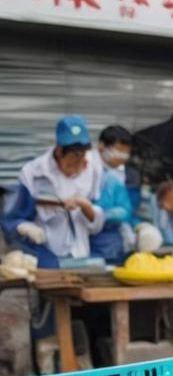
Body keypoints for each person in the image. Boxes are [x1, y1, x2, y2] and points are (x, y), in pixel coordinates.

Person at [1, 115, 104, 268]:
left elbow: (98, 218)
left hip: (82, 253)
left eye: (81, 159)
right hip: (47, 253)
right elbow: (13, 219)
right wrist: (24, 227)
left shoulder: (93, 168)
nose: (77, 167)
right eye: (72, 162)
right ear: (59, 150)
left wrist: (86, 206)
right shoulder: (34, 173)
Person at [90, 125, 134, 264]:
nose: (123, 158)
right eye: (119, 152)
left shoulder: (118, 171)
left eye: (126, 154)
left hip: (110, 237)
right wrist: (100, 213)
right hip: (89, 236)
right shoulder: (87, 167)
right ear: (102, 146)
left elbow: (123, 206)